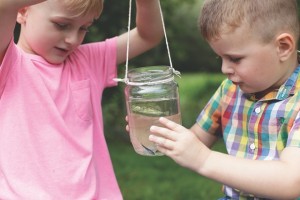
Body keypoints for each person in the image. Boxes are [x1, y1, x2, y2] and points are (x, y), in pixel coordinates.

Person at [0, 0, 163, 199]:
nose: (72, 39)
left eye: (83, 28)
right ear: (23, 11)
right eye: (62, 25)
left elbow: (149, 36)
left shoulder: (88, 60)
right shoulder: (8, 63)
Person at [148, 0, 300, 199]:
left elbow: (291, 181)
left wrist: (204, 160)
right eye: (220, 58)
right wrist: (158, 133)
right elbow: (195, 140)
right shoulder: (229, 90)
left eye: (235, 59)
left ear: (283, 47)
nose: (224, 70)